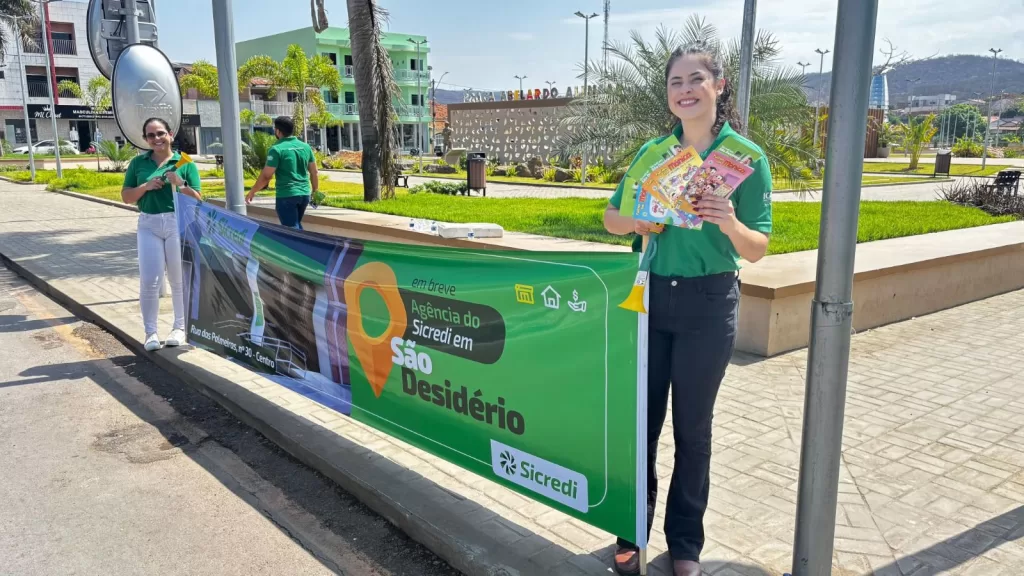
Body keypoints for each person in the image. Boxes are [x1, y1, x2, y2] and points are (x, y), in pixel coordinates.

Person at [603, 45, 773, 576]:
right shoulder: (654, 154)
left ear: (718, 86)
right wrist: (637, 222)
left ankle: (685, 545)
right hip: (651, 298)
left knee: (693, 431)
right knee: (642, 425)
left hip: (709, 302)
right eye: (675, 82)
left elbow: (757, 247)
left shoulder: (745, 158)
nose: (685, 90)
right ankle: (631, 530)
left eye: (695, 79)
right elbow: (610, 217)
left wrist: (727, 220)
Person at [121, 117, 203, 352]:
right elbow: (126, 197)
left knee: (178, 280)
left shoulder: (185, 163)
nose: (156, 138)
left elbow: (198, 199)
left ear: (170, 135)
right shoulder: (138, 163)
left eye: (160, 133)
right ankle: (151, 332)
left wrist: (181, 183)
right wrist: (145, 187)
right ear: (145, 139)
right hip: (149, 224)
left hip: (177, 223)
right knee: (150, 280)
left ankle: (179, 328)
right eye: (151, 135)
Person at [245, 116, 319, 230]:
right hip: (304, 194)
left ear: (278, 131)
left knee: (292, 230)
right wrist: (315, 191)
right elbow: (314, 172)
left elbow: (266, 176)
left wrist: (252, 191)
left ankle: (303, 242)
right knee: (296, 225)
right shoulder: (305, 147)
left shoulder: (276, 149)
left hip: (287, 195)